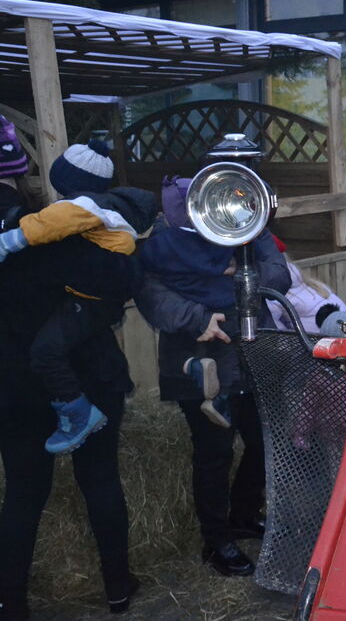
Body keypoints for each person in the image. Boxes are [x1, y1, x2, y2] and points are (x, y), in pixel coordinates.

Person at [0, 122, 138, 618]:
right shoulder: (56, 225)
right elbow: (120, 279)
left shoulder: (47, 223)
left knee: (22, 491)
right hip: (90, 372)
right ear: (21, 172)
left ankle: (11, 603)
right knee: (100, 479)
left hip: (13, 383)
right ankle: (118, 590)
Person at [135, 173, 290, 578]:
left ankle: (242, 512)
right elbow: (150, 294)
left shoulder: (246, 226)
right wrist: (197, 316)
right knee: (213, 452)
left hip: (254, 345)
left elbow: (280, 270)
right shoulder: (159, 247)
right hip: (198, 355)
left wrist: (244, 276)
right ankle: (216, 539)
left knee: (264, 437)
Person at [0, 140, 156, 454]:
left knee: (46, 351)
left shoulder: (79, 210)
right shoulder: (98, 211)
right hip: (99, 352)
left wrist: (9, 240)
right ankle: (75, 410)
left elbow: (46, 227)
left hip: (79, 326)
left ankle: (77, 411)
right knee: (101, 479)